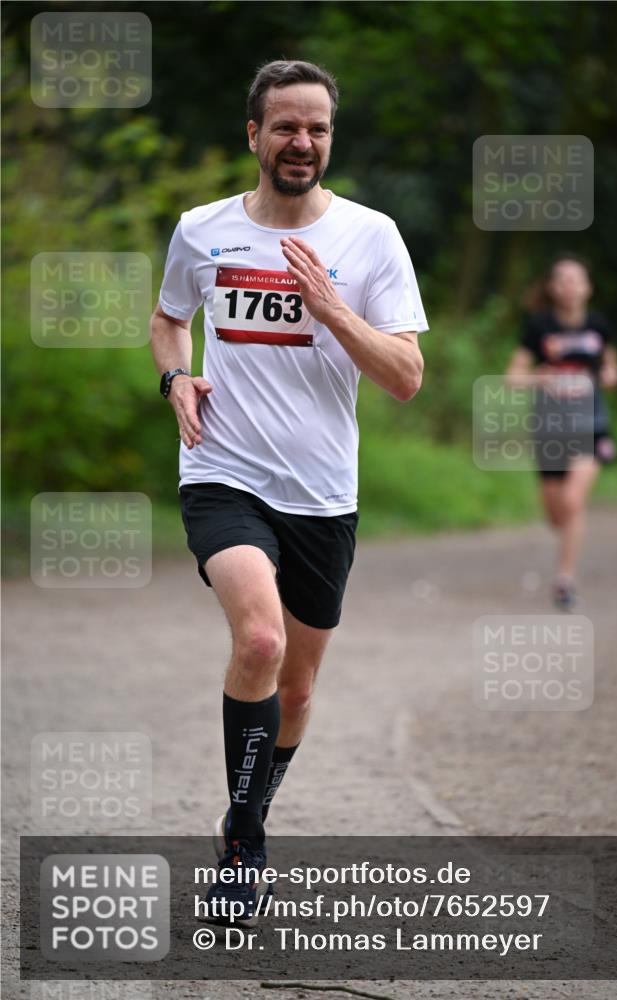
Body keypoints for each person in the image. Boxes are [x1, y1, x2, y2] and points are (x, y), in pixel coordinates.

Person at [150, 60, 427, 923]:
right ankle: (244, 849)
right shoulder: (202, 229)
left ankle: (247, 811)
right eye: (284, 127)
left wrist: (333, 308)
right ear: (254, 135)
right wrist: (176, 380)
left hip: (321, 492)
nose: (300, 142)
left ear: (328, 138)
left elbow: (406, 377)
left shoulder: (370, 237)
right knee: (260, 643)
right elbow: (169, 321)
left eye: (316, 128)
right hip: (224, 472)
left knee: (298, 691)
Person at [505, 254, 617, 610]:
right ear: (553, 288)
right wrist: (540, 376)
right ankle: (567, 545)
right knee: (557, 514)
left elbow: (613, 370)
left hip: (591, 427)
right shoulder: (539, 327)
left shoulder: (599, 326)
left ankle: (564, 580)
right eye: (563, 279)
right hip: (550, 430)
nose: (570, 286)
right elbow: (513, 378)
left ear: (588, 287)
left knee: (573, 502)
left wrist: (609, 376)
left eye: (577, 279)